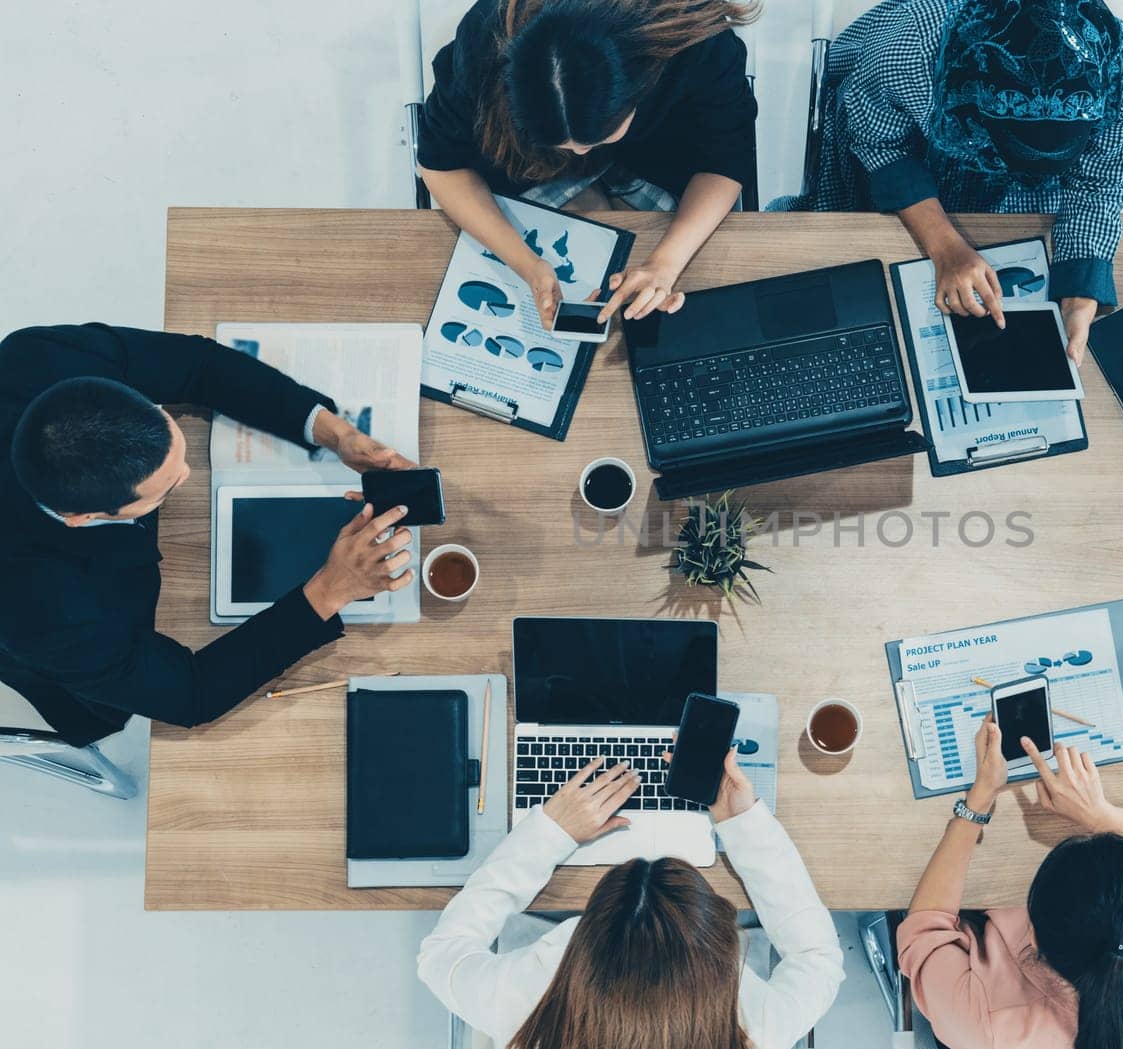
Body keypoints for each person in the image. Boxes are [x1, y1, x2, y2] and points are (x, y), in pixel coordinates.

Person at [0, 324, 419, 745]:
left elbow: (198, 365)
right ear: (81, 517)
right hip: (80, 640)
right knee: (102, 712)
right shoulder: (39, 613)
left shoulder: (36, 354)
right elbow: (191, 693)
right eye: (167, 487)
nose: (188, 474)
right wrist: (331, 590)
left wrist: (337, 433)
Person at [774, 0, 1123, 363]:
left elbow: (1096, 182)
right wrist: (945, 246)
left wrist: (1079, 296)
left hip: (1033, 199)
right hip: (914, 155)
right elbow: (878, 142)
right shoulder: (910, 53)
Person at [418, 749, 844, 1049]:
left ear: (580, 941)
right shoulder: (756, 1031)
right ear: (724, 951)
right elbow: (817, 957)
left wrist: (551, 833)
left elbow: (441, 957)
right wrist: (742, 823)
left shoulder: (528, 1007)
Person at [898, 719, 1123, 1049]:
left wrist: (977, 801)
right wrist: (1104, 816)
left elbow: (922, 933)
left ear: (1035, 936)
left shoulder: (983, 1024)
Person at [416, 0, 760, 330]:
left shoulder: (695, 38)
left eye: (595, 138)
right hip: (526, 171)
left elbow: (727, 158)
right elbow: (440, 163)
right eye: (563, 142)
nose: (579, 152)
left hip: (662, 160)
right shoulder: (485, 37)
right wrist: (529, 267)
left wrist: (665, 265)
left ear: (642, 81)